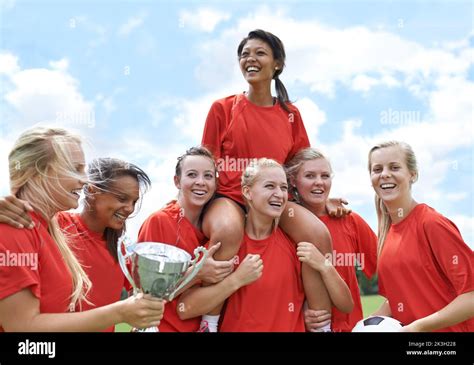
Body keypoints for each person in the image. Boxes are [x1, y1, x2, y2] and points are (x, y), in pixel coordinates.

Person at [199, 29, 349, 332]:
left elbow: (300, 165)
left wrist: (320, 198)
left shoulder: (291, 114)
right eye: (244, 54)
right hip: (231, 196)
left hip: (275, 200)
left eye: (259, 53)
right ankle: (210, 321)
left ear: (277, 64)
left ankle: (320, 324)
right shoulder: (222, 108)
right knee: (228, 229)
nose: (250, 59)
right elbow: (206, 160)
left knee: (317, 234)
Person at [0, 127, 164, 331]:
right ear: (40, 170)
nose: (85, 180)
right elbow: (23, 327)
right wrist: (120, 312)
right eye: (75, 169)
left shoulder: (50, 230)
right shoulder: (16, 227)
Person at [178, 158, 352, 331]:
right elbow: (184, 309)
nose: (279, 194)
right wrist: (235, 281)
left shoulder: (298, 246)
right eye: (270, 186)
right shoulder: (226, 246)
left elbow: (344, 305)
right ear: (247, 192)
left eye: (283, 188)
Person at [368, 141, 474, 332]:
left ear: (413, 174)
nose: (384, 174)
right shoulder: (387, 237)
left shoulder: (431, 223)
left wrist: (418, 327)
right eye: (377, 169)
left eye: (394, 167)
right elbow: (399, 298)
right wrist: (369, 323)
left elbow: (471, 296)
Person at [138, 146, 234, 332]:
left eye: (208, 176)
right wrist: (196, 273)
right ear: (177, 181)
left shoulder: (215, 229)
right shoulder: (160, 221)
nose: (201, 182)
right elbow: (147, 294)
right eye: (192, 175)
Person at [287, 147, 377, 332]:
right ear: (293, 181)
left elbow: (390, 271)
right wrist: (300, 314)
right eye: (310, 176)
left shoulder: (349, 221)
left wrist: (378, 323)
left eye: (325, 176)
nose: (319, 182)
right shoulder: (283, 227)